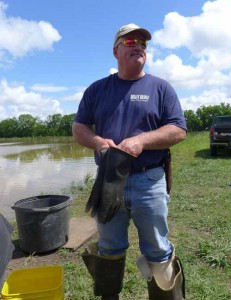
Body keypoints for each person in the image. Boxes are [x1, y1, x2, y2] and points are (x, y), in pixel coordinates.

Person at [72, 23, 187, 300]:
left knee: (158, 249)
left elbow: (178, 130)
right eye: (131, 41)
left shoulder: (161, 88)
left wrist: (142, 141)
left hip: (149, 180)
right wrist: (98, 141)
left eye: (143, 43)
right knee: (110, 247)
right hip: (109, 181)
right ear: (115, 51)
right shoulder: (97, 89)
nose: (138, 45)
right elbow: (79, 128)